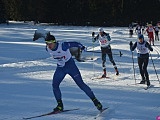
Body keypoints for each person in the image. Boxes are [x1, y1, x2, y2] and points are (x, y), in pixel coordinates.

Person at [44, 34, 103, 112]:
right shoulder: (47, 49)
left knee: (81, 84)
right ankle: (60, 105)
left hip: (71, 67)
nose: (48, 45)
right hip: (61, 68)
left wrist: (82, 47)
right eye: (47, 43)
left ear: (54, 42)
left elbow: (75, 43)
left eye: (50, 43)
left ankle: (95, 101)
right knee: (55, 85)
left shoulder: (63, 46)